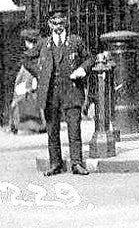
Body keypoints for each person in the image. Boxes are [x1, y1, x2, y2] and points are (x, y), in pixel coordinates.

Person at [36, 10, 94, 175]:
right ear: (50, 25)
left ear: (66, 23)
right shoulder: (43, 44)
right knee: (52, 130)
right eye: (55, 23)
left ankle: (77, 163)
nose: (58, 26)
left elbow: (90, 58)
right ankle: (55, 164)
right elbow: (27, 58)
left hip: (71, 90)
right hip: (50, 92)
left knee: (74, 128)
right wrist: (39, 74)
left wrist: (82, 69)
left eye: (61, 23)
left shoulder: (75, 41)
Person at [8, 28, 45, 134]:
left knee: (25, 100)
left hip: (31, 87)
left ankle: (29, 125)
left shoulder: (32, 55)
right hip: (30, 85)